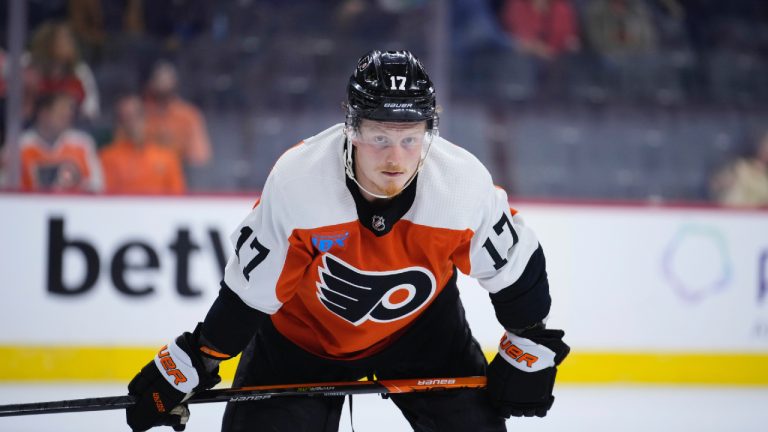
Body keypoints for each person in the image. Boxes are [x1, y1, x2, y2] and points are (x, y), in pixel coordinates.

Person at [125, 50, 569, 432]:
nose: (395, 157)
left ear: (429, 134)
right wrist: (196, 359)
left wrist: (528, 339)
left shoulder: (461, 185)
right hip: (300, 341)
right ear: (352, 130)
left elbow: (517, 269)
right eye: (379, 137)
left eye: (410, 139)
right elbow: (248, 297)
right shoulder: (299, 183)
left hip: (424, 333)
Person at [100, 94, 186, 194]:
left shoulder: (167, 157)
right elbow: (107, 198)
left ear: (145, 117)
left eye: (137, 115)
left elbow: (178, 198)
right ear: (119, 124)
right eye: (126, 118)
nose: (133, 123)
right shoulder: (108, 157)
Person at [17, 92, 103, 192]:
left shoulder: (82, 144)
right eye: (61, 110)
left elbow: (97, 186)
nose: (67, 114)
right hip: (31, 205)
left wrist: (78, 181)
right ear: (44, 113)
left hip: (74, 205)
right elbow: (9, 188)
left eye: (70, 110)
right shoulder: (20, 146)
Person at [143, 60, 212, 168]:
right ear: (150, 83)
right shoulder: (139, 115)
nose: (163, 84)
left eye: (167, 80)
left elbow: (199, 156)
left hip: (180, 175)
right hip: (144, 176)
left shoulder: (188, 115)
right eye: (159, 79)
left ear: (175, 83)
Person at [710, 130, 768, 208]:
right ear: (760, 146)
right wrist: (722, 182)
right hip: (734, 216)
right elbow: (715, 184)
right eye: (765, 145)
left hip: (760, 219)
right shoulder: (740, 167)